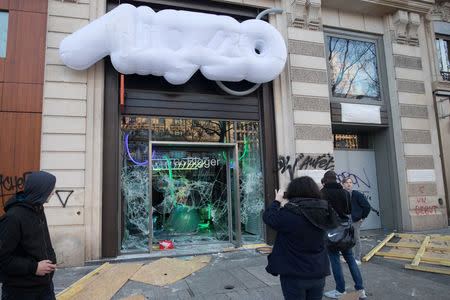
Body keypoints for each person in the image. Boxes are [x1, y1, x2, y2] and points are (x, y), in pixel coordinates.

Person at [263, 176, 337, 300]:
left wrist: (277, 201)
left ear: (293, 192)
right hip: (318, 272)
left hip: (294, 274)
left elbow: (268, 217)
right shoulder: (324, 211)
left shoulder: (289, 213)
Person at [0, 171, 57, 300]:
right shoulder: (13, 217)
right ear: (40, 189)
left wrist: (51, 258)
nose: (53, 192)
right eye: (51, 188)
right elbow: (3, 259)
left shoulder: (38, 210)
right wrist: (34, 267)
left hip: (45, 287)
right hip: (20, 292)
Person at [321, 170, 367, 299]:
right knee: (350, 259)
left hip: (331, 232)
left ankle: (340, 290)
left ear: (325, 179)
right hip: (345, 231)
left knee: (335, 260)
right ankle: (360, 289)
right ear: (336, 179)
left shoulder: (322, 193)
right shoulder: (344, 192)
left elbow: (322, 213)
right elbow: (349, 211)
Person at [342, 177, 371, 264]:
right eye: (347, 182)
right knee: (345, 239)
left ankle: (357, 258)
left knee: (355, 238)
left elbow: (367, 206)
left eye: (350, 182)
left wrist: (363, 217)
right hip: (344, 220)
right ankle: (348, 257)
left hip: (355, 220)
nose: (349, 184)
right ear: (343, 184)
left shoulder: (356, 194)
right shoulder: (342, 194)